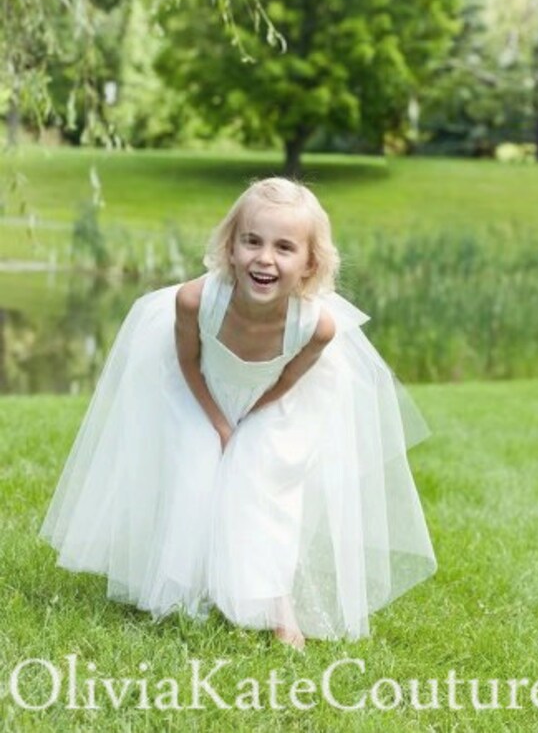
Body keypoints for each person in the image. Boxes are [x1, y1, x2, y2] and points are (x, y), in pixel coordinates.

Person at [40, 178, 436, 650]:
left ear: (309, 263)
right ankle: (181, 587)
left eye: (284, 247)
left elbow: (289, 382)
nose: (264, 258)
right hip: (197, 387)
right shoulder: (195, 301)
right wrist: (219, 422)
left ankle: (277, 600)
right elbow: (187, 363)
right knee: (197, 463)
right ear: (231, 248)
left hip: (275, 399)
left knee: (263, 476)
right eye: (252, 241)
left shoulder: (316, 327)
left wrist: (248, 424)